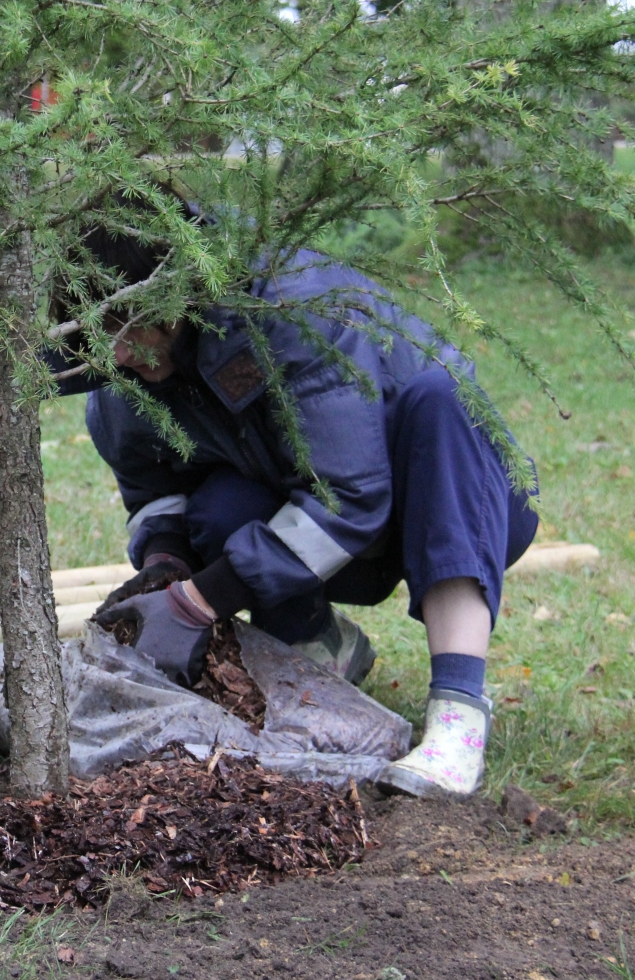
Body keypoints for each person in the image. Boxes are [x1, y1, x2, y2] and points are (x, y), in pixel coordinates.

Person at [57, 206, 538, 799]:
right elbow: (154, 492)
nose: (122, 355)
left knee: (439, 400)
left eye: (131, 329)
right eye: (105, 340)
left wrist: (199, 601)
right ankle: (319, 649)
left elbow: (350, 499)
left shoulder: (288, 310)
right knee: (216, 509)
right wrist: (166, 569)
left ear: (173, 294)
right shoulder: (125, 376)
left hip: (454, 504)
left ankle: (457, 721)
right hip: (335, 531)